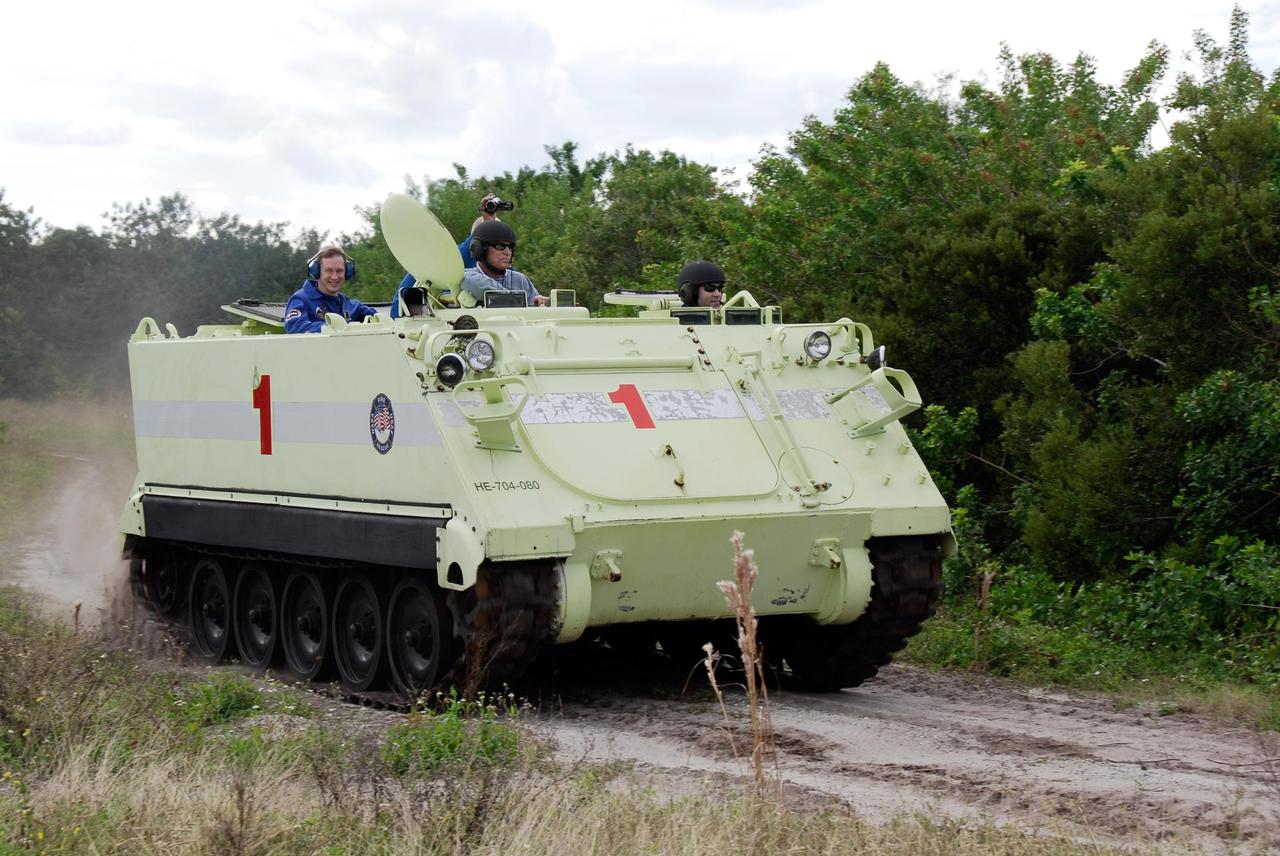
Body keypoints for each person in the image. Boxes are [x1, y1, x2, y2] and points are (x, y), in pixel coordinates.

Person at [391, 193, 499, 318]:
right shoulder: (439, 262)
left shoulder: (504, 268)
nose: (504, 249)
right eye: (497, 241)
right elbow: (398, 311)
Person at [284, 245, 377, 334]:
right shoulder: (301, 300)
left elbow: (379, 320)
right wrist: (332, 328)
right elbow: (295, 327)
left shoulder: (350, 305)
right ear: (317, 272)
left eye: (339, 271)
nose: (334, 277)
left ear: (347, 273)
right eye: (329, 271)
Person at [461, 220, 548, 306]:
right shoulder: (466, 277)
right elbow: (473, 281)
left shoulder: (521, 281)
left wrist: (539, 303)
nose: (507, 252)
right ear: (479, 249)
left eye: (510, 247)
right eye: (500, 246)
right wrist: (521, 301)